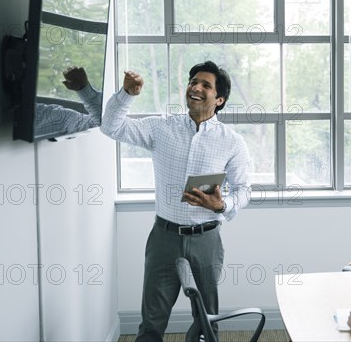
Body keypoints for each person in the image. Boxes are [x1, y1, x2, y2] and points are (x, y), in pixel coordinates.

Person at [101, 61, 251, 341]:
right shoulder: (161, 127)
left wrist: (221, 205)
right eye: (193, 81)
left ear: (219, 100)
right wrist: (126, 94)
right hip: (164, 238)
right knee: (152, 322)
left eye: (206, 85)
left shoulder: (232, 142)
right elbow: (111, 127)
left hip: (206, 239)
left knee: (207, 321)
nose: (195, 87)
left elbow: (244, 190)